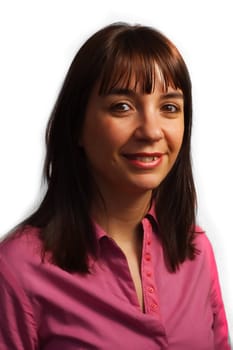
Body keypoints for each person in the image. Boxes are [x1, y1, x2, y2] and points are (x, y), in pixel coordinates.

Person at [0, 22, 230, 350]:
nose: (151, 131)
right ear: (76, 126)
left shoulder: (197, 251)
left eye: (169, 108)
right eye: (122, 106)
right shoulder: (16, 268)